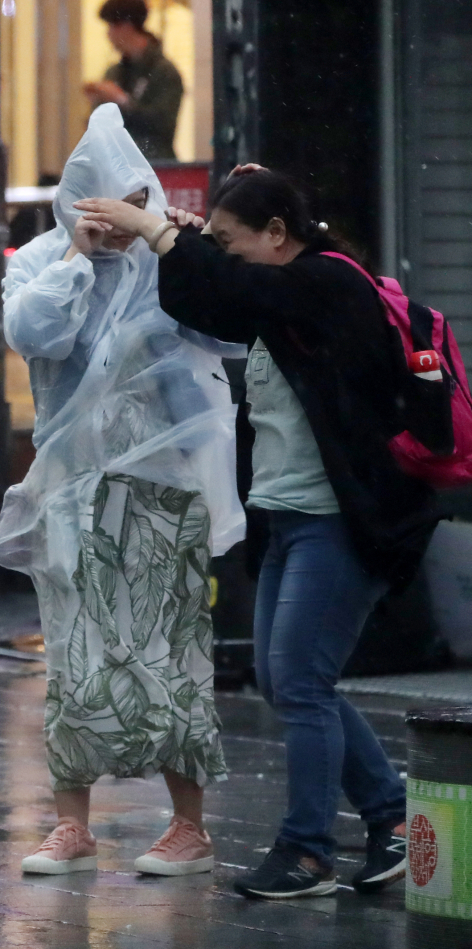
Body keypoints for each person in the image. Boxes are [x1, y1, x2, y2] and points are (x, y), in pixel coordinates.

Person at [75, 165, 436, 899]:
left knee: (301, 682)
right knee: (288, 680)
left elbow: (234, 287)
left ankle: (306, 851)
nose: (229, 255)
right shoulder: (280, 300)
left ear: (279, 233)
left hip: (340, 521)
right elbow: (206, 298)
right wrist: (164, 240)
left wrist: (158, 229)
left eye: (238, 241)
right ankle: (392, 814)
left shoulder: (330, 283)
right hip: (291, 516)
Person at [0, 104, 246, 879]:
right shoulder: (40, 258)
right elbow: (34, 333)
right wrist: (77, 253)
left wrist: (169, 241)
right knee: (75, 651)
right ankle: (72, 823)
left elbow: (231, 327)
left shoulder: (169, 259)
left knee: (171, 651)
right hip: (72, 489)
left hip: (163, 491)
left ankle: (189, 824)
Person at [84, 0, 182, 161]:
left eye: (111, 26)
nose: (108, 35)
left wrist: (122, 100)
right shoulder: (114, 72)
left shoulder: (164, 72)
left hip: (154, 165)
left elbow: (162, 123)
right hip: (117, 165)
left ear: (126, 26)